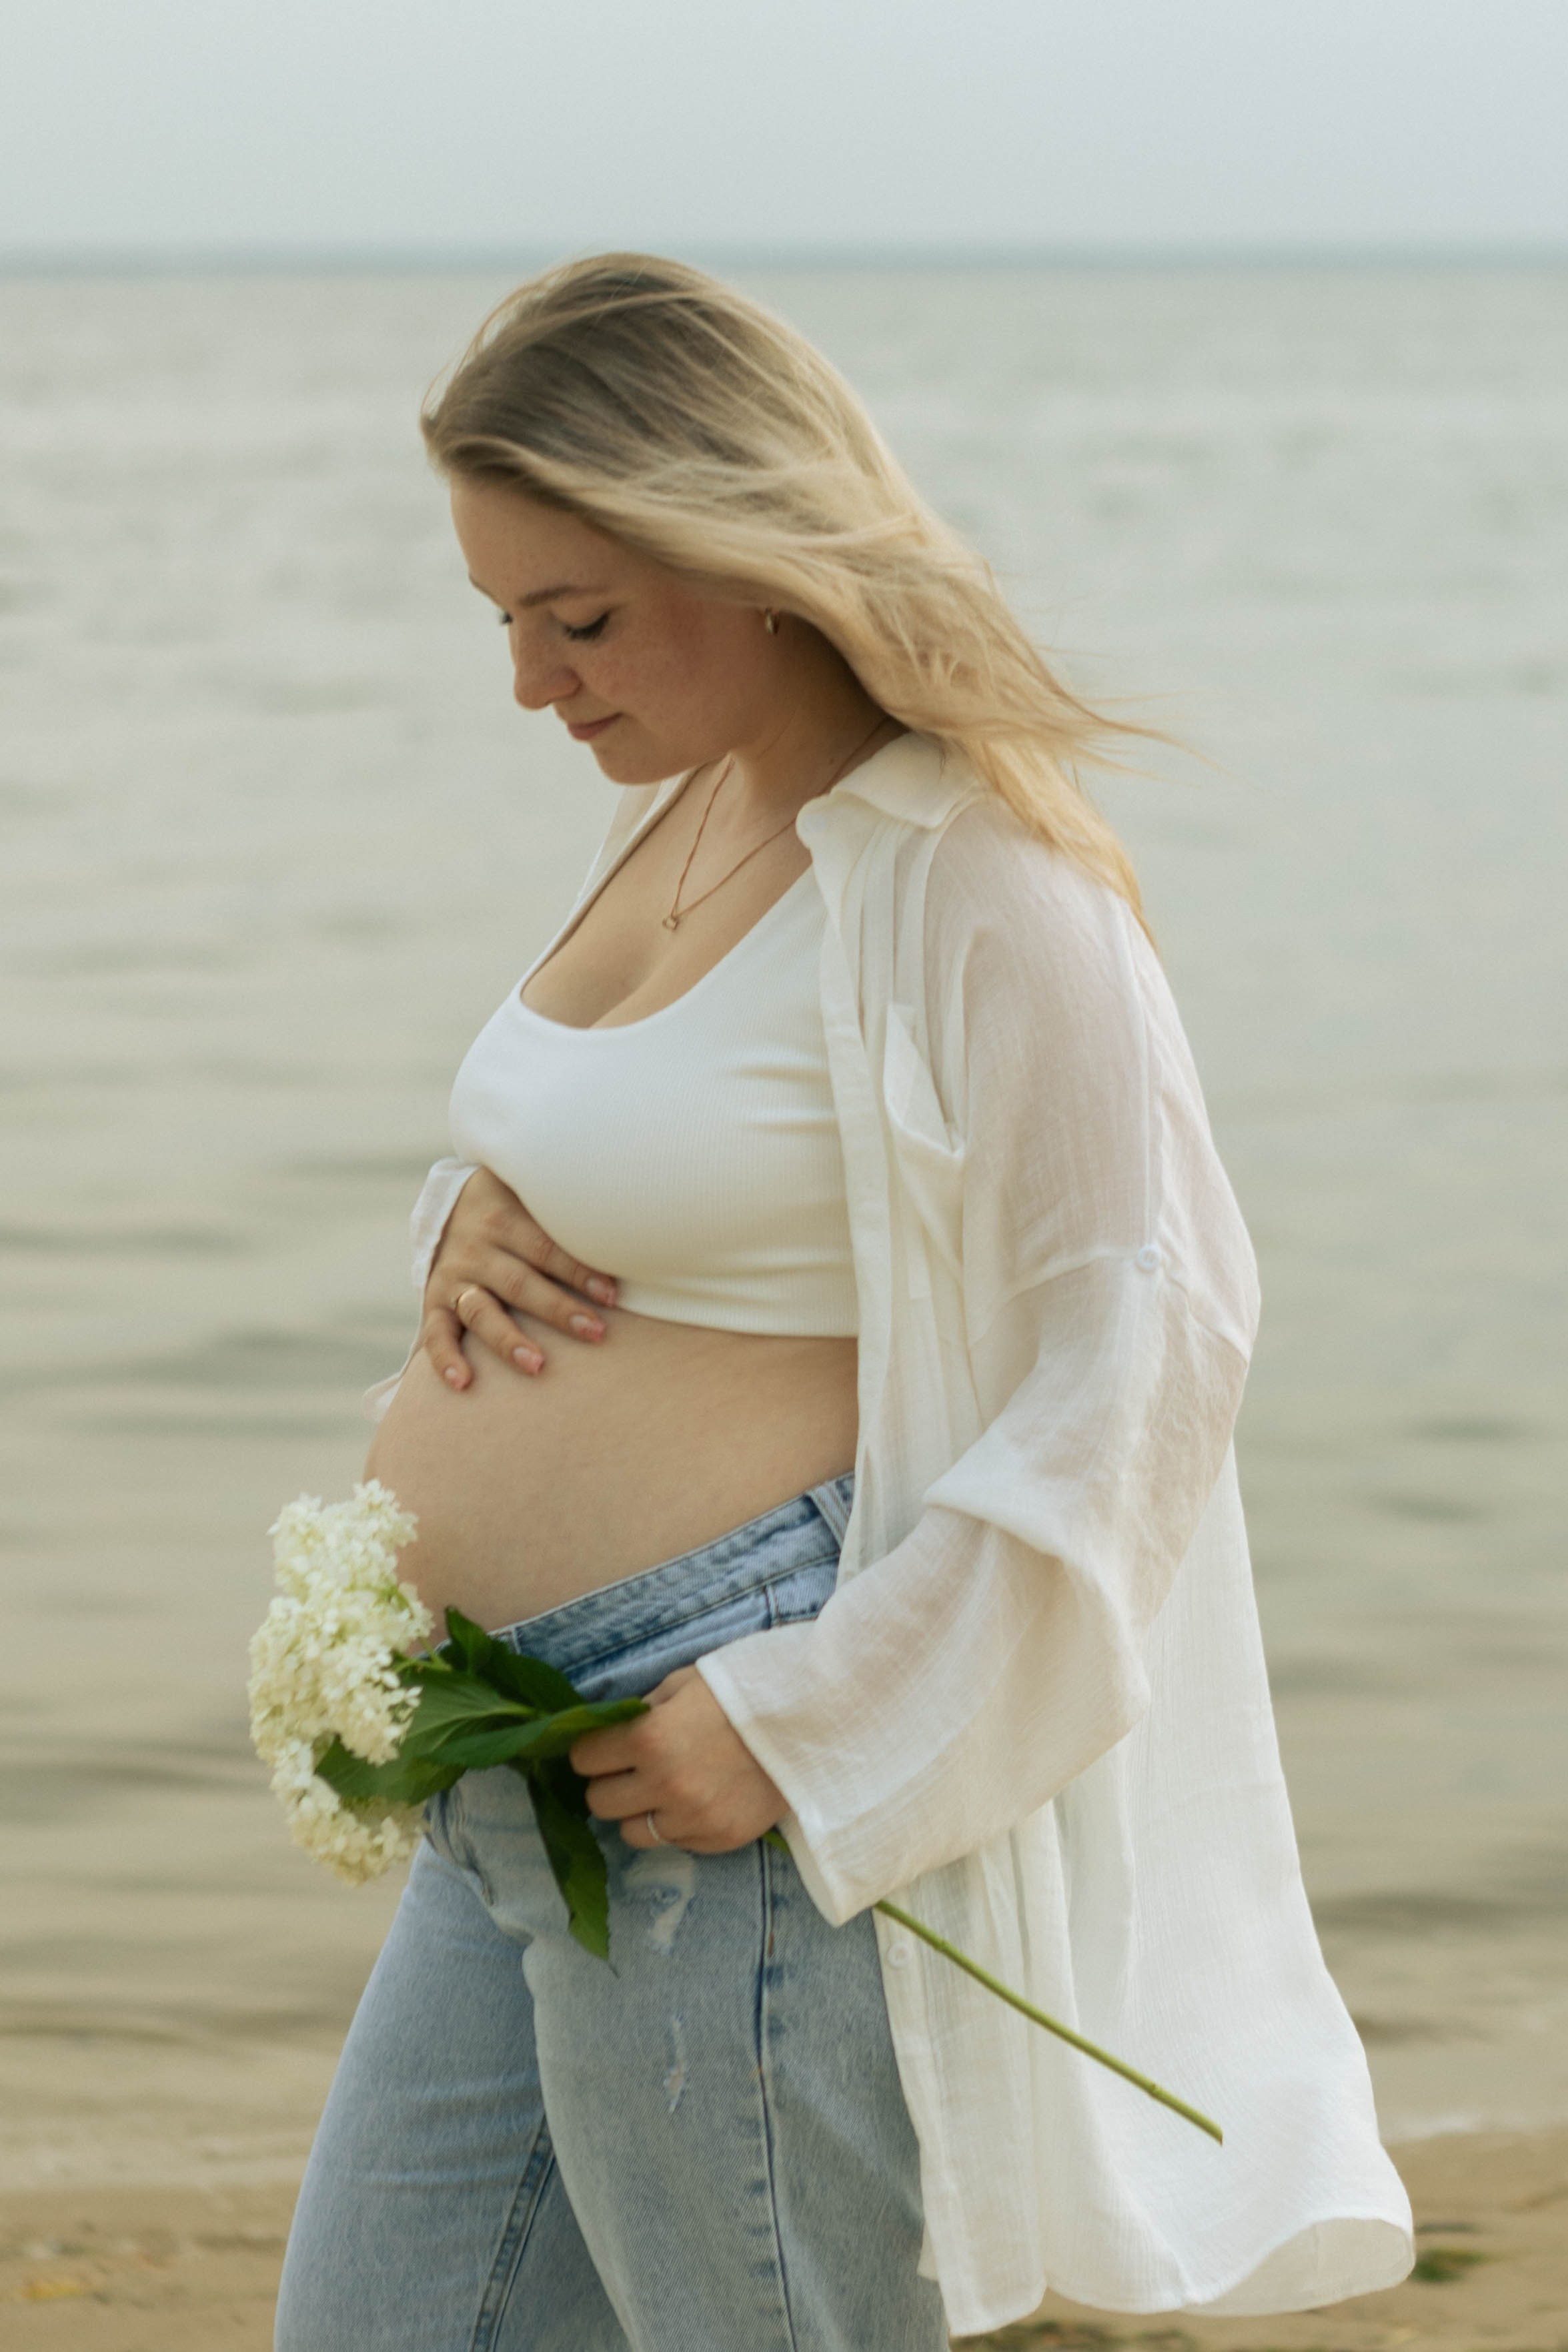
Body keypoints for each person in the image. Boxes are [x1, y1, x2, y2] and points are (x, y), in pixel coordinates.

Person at [273, 254, 1413, 2352]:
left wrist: (815, 1729)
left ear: (751, 550)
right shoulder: (692, 808)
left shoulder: (981, 878)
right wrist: (467, 1218)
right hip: (508, 1779)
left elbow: (1153, 1349)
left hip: (713, 1769)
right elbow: (691, 1165)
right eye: (499, 617)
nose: (530, 685)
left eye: (579, 617)